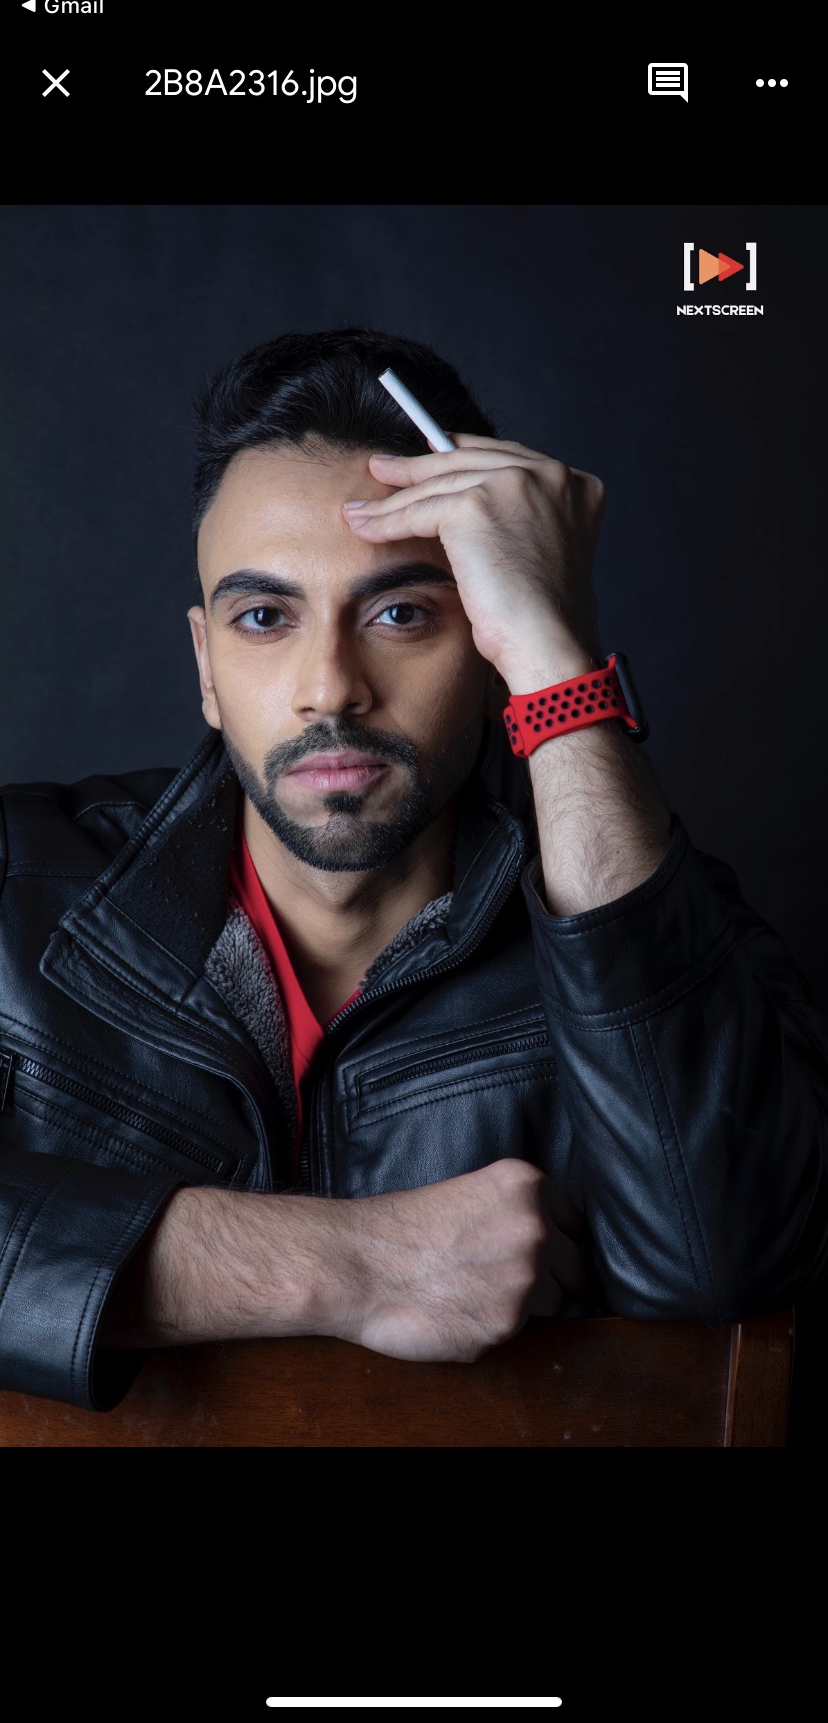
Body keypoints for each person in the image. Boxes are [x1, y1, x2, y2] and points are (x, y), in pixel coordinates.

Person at [1, 324, 827, 1414]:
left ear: (486, 645)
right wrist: (350, 1264)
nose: (331, 686)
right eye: (264, 617)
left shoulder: (653, 922)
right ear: (206, 665)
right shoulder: (16, 883)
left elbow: (731, 1264)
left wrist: (556, 658)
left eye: (402, 613)